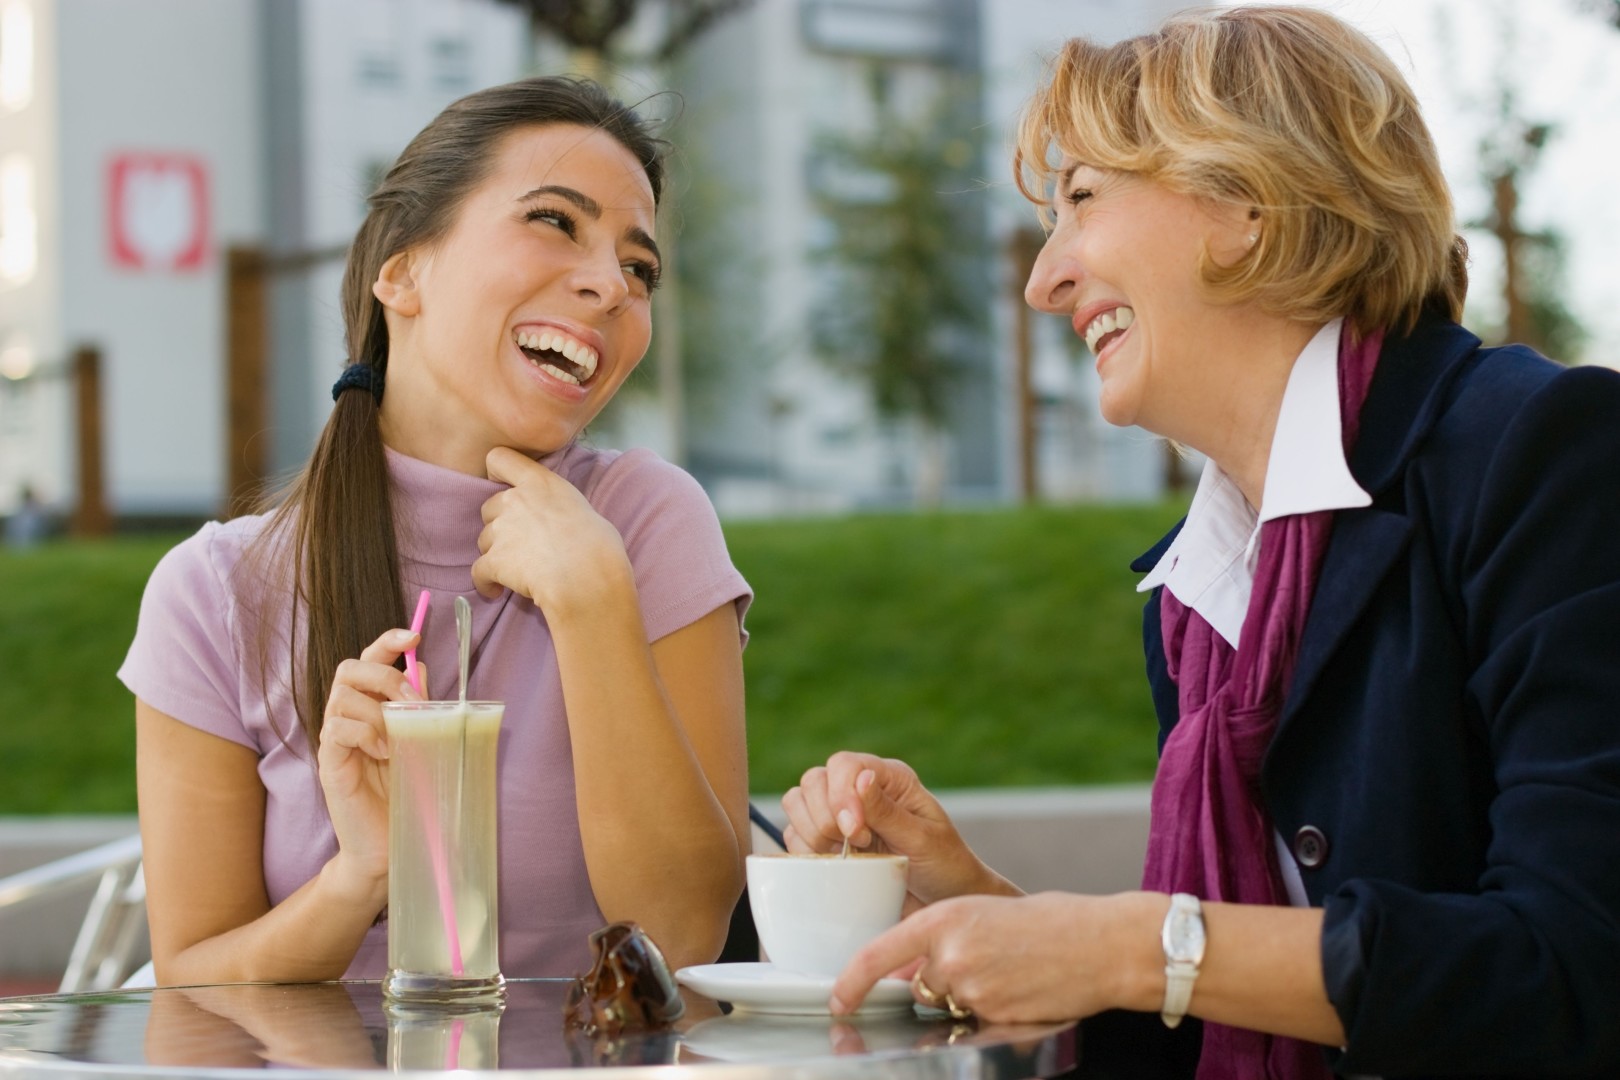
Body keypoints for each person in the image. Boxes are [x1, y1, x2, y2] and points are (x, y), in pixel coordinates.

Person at [781, 7, 1620, 1079]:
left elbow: (1577, 967)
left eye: (1083, 199)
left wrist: (1128, 944)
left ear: (1244, 204)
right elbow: (1223, 1018)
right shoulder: (1198, 601)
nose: (1045, 280)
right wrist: (978, 904)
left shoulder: (1543, 453)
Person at [119, 77, 753, 985]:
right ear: (402, 271)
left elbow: (683, 933)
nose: (612, 286)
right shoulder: (214, 593)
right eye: (555, 221)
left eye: (640, 269)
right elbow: (191, 981)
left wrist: (592, 602)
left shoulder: (649, 522)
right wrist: (360, 877)